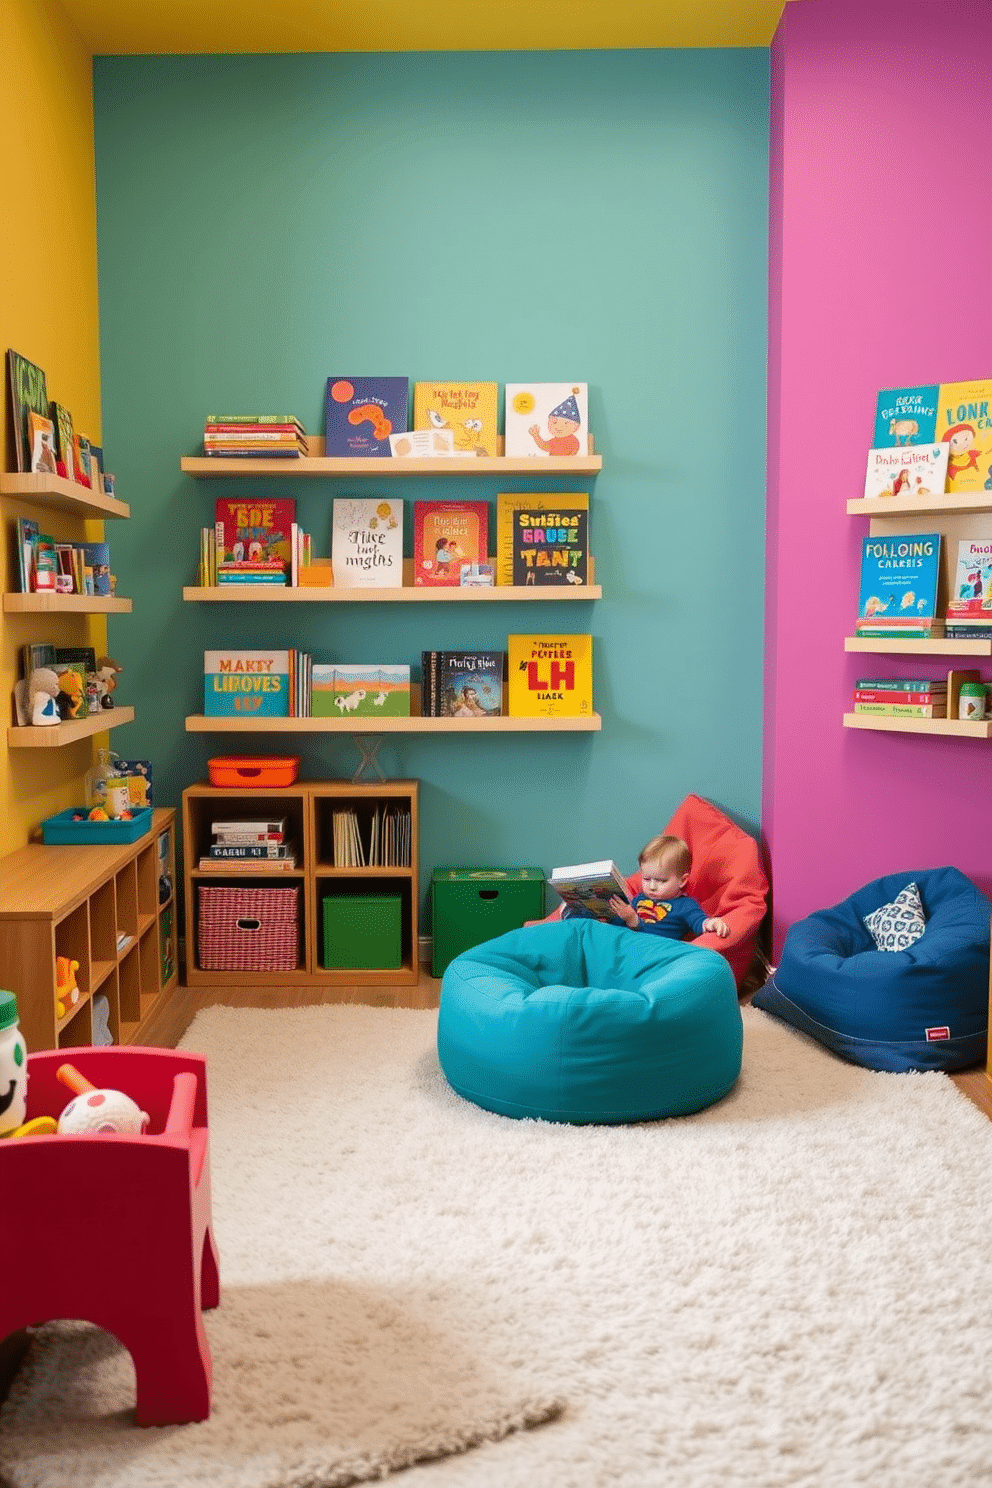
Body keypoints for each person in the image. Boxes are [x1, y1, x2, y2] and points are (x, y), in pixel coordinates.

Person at [608, 833, 730, 940]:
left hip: (656, 950)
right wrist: (613, 913)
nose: (652, 886)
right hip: (628, 945)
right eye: (646, 879)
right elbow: (618, 926)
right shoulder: (639, 899)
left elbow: (699, 922)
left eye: (661, 881)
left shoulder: (685, 905)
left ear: (682, 881)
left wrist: (712, 923)